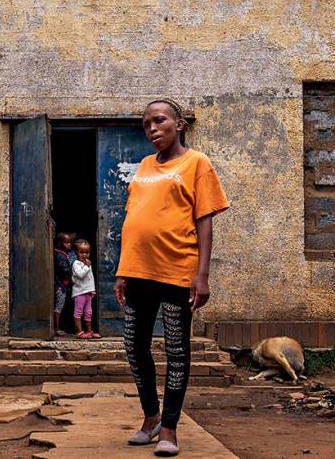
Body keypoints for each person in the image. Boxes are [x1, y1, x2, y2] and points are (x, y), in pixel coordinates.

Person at [114, 99, 229, 457]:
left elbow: (204, 219)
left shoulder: (197, 163)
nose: (151, 128)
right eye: (146, 123)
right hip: (138, 272)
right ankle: (150, 417)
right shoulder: (145, 166)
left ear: (178, 124)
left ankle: (169, 428)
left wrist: (202, 275)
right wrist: (122, 272)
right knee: (134, 347)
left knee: (177, 351)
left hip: (177, 271)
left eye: (159, 120)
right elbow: (133, 219)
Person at [72, 239, 99, 339]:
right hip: (79, 293)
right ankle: (79, 332)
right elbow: (81, 275)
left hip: (88, 292)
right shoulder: (76, 264)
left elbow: (90, 279)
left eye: (87, 252)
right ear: (76, 253)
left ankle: (89, 331)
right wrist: (87, 267)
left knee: (88, 312)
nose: (85, 255)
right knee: (78, 312)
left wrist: (92, 291)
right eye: (82, 252)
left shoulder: (87, 263)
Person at [53, 232, 74, 337]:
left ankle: (60, 327)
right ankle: (56, 329)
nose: (69, 244)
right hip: (60, 286)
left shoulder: (63, 255)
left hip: (63, 285)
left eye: (70, 242)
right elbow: (65, 271)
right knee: (59, 307)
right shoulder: (60, 255)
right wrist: (73, 267)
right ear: (60, 243)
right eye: (66, 242)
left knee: (61, 307)